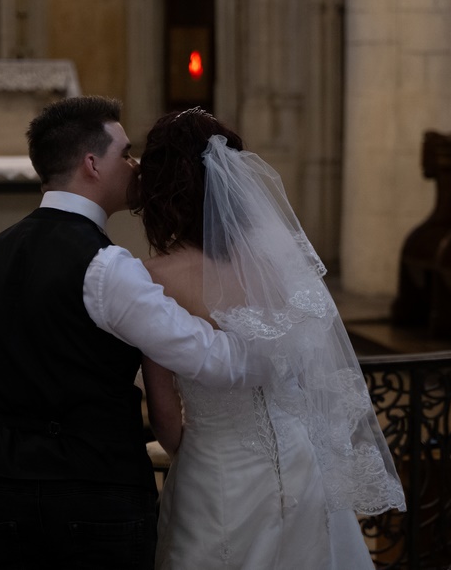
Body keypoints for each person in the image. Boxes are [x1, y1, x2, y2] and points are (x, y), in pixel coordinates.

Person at [0, 96, 270, 569]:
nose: (136, 165)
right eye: (124, 153)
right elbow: (212, 358)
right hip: (97, 497)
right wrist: (282, 341)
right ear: (92, 164)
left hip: (4, 497)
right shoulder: (107, 269)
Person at [136, 108, 407, 570]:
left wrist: (206, 444)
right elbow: (307, 371)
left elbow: (164, 416)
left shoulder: (155, 277)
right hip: (302, 459)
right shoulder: (276, 264)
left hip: (217, 470)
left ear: (161, 190)